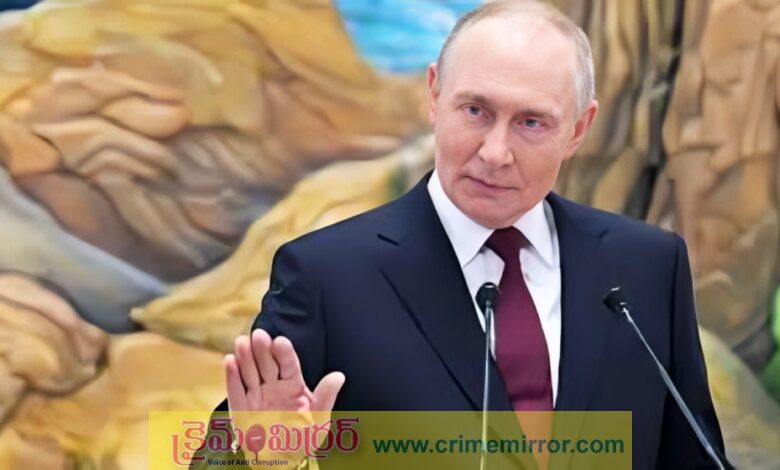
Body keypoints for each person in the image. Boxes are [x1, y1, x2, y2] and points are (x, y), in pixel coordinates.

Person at [192, 1, 726, 469]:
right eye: (475, 111)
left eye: (531, 123)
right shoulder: (328, 277)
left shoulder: (647, 267)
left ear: (577, 130)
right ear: (434, 96)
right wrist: (264, 460)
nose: (495, 152)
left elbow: (695, 456)